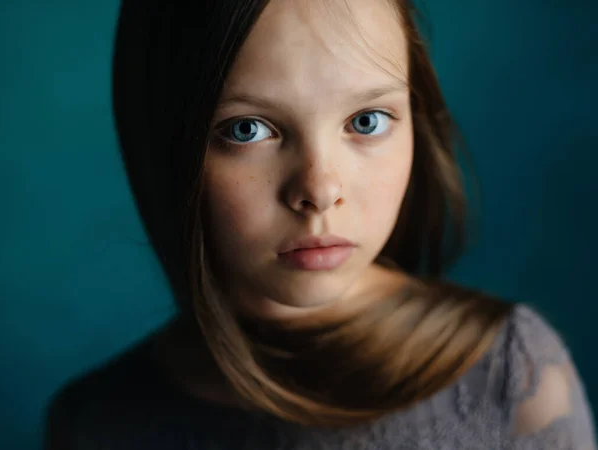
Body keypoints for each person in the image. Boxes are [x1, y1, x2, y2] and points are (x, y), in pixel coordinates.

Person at [45, 0, 596, 448]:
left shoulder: (515, 379)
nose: (319, 191)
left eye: (367, 121)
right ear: (163, 148)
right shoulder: (94, 424)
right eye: (247, 131)